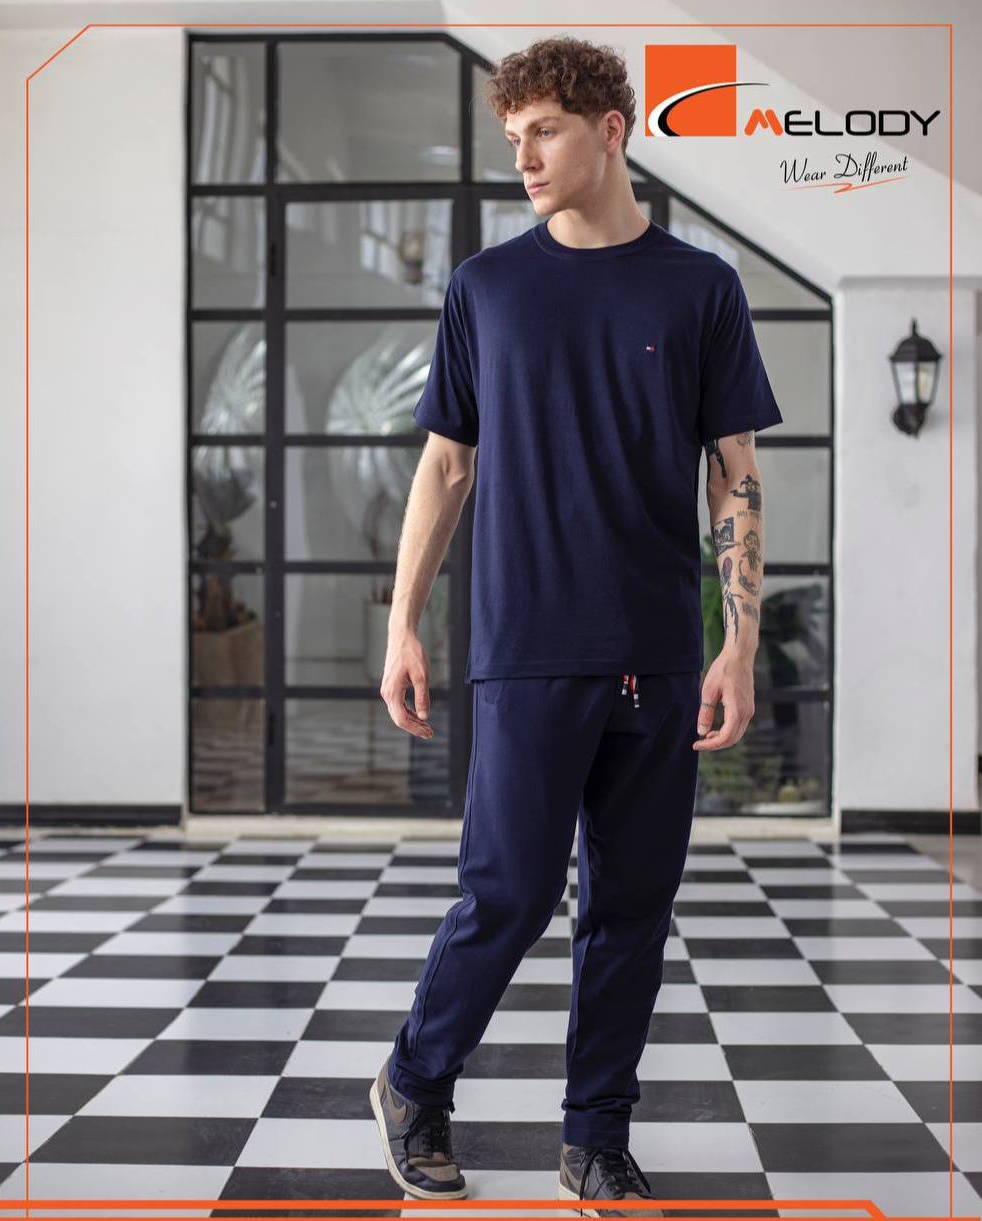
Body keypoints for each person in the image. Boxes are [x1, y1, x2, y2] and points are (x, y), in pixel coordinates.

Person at [369, 34, 783, 1217]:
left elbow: (735, 474)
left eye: (543, 131)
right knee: (507, 890)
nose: (525, 157)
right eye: (513, 138)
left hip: (657, 649)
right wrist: (404, 625)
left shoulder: (700, 287)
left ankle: (596, 1138)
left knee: (631, 910)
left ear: (611, 130)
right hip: (526, 644)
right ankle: (414, 1080)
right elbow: (446, 466)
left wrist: (738, 641)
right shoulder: (487, 287)